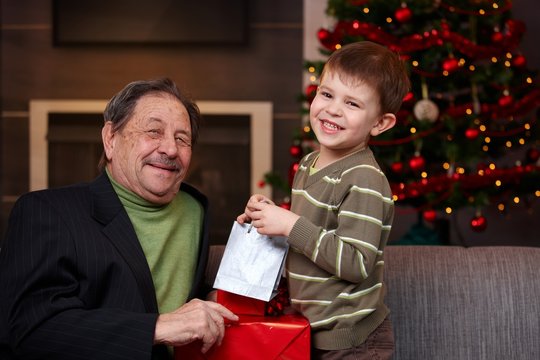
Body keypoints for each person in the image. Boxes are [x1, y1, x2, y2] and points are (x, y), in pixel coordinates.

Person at [0, 78, 238, 360]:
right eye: (154, 131)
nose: (170, 149)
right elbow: (30, 330)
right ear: (110, 139)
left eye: (182, 139)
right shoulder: (44, 212)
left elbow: (167, 287)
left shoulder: (195, 209)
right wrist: (157, 327)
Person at [237, 41, 410, 359]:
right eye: (327, 94)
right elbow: (310, 231)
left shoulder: (365, 179)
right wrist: (268, 216)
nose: (332, 109)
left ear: (380, 123)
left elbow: (357, 263)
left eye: (353, 104)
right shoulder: (307, 164)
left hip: (353, 341)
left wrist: (290, 225)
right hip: (312, 331)